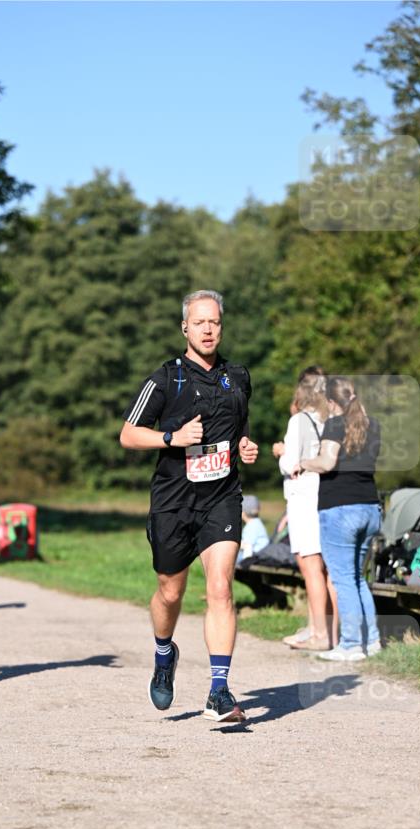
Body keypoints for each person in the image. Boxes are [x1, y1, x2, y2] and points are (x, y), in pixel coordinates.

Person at [120, 289, 258, 724]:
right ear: (185, 327)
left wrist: (246, 446)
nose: (208, 329)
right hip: (173, 501)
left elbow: (239, 431)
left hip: (221, 497)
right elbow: (128, 434)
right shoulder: (165, 379)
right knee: (170, 591)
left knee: (219, 588)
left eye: (214, 322)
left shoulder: (238, 376)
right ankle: (164, 653)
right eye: (199, 322)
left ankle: (219, 690)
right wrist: (171, 439)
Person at [293, 376, 381, 661]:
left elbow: (328, 462)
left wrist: (304, 463)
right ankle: (373, 640)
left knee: (343, 579)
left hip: (340, 509)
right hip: (370, 507)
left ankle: (352, 644)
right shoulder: (372, 425)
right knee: (357, 578)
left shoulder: (334, 425)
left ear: (331, 402)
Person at [274, 369, 338, 651]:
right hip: (325, 493)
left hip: (303, 496)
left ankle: (319, 634)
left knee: (310, 565)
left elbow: (290, 464)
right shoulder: (331, 419)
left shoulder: (299, 420)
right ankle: (331, 632)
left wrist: (281, 452)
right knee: (329, 569)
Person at [237, 495, 270, 565]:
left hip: (255, 556)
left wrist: (245, 563)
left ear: (243, 512)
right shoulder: (257, 523)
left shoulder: (251, 526)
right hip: (259, 554)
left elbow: (248, 547)